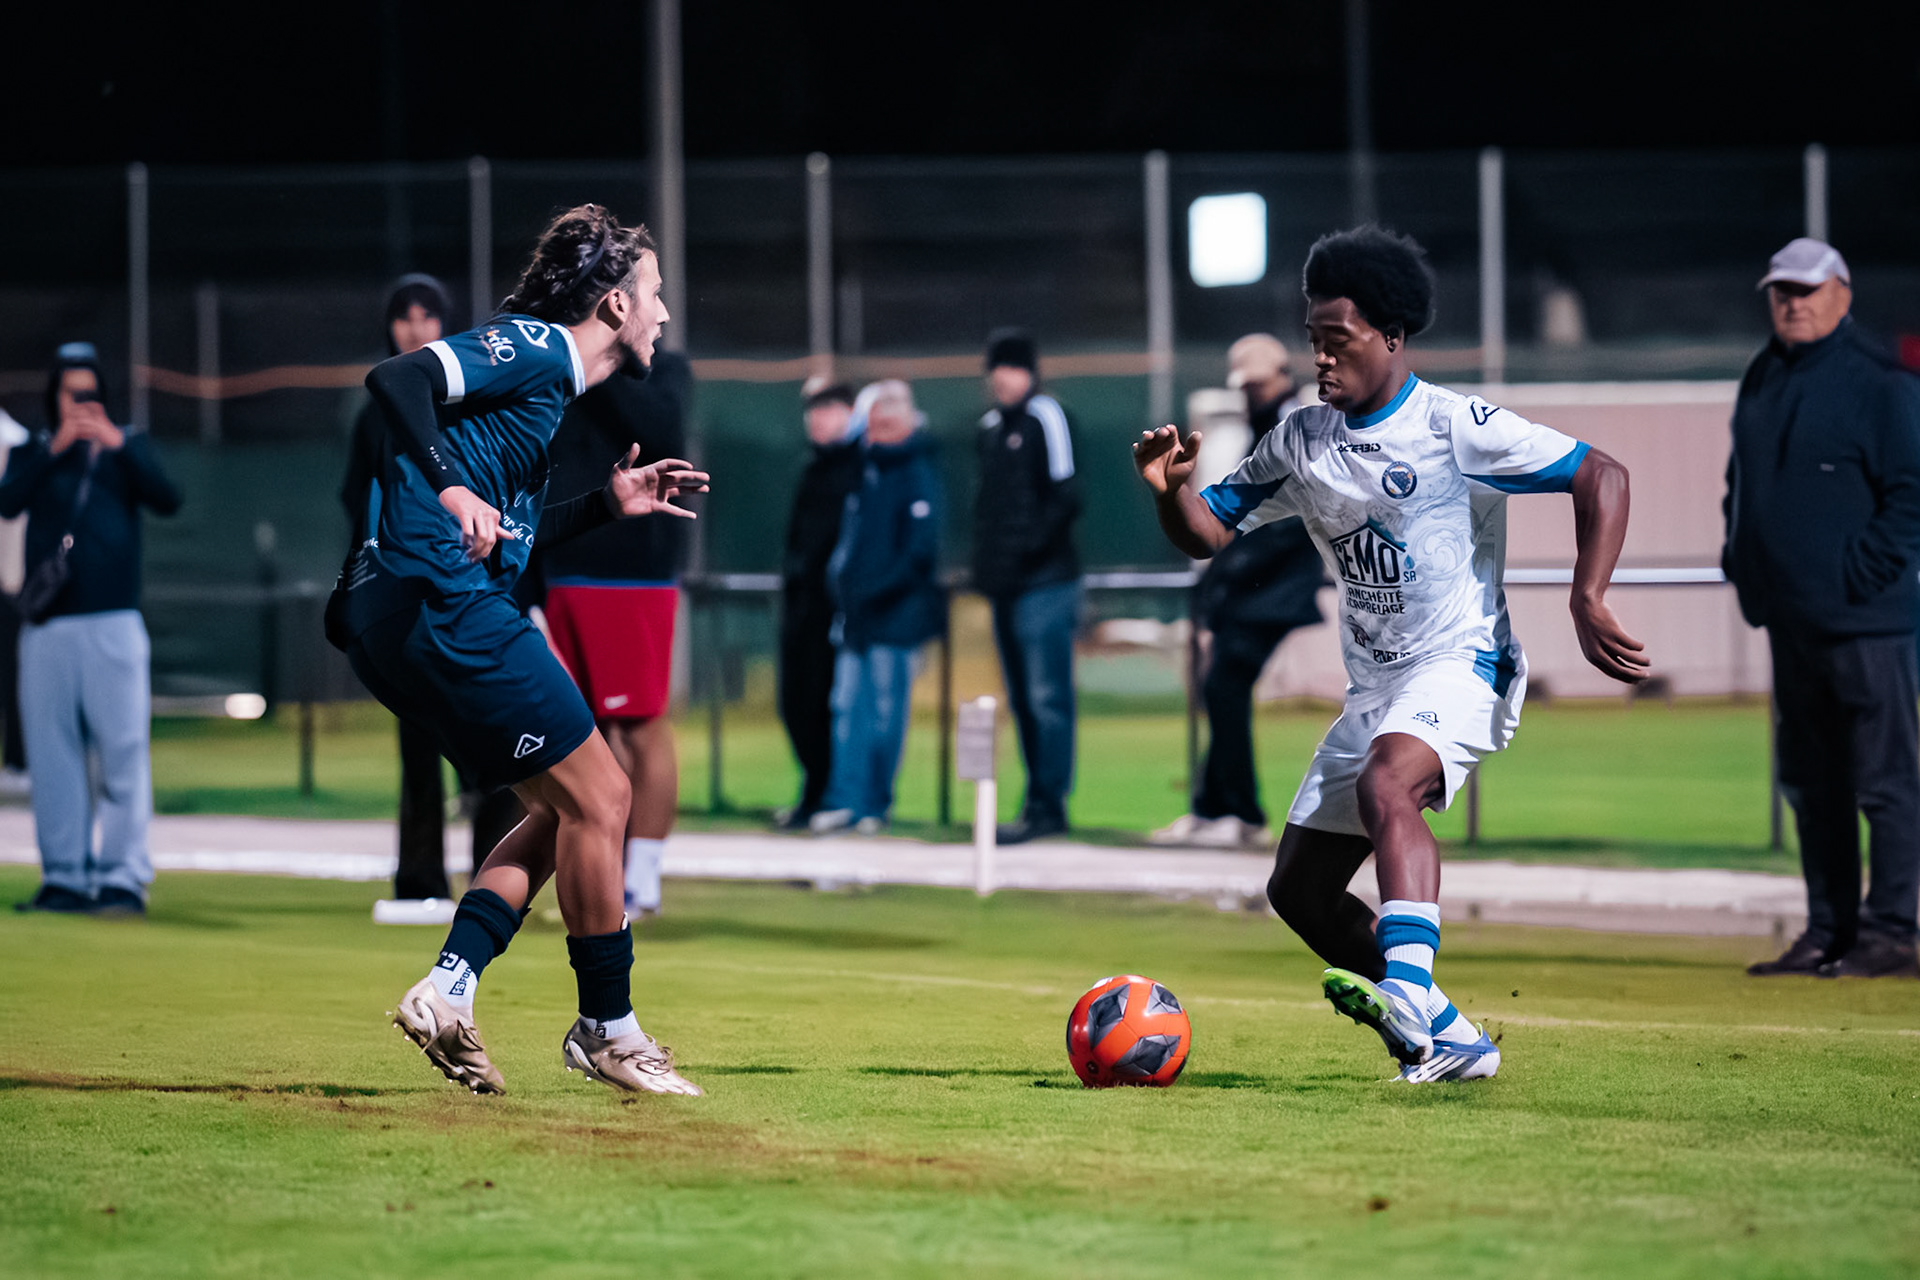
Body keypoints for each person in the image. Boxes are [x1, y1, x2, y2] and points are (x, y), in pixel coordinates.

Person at [1134, 226, 1646, 1082]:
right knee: (1297, 892)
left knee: (1387, 783)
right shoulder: (1301, 442)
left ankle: (1408, 988)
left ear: (1392, 337)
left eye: (1337, 343)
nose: (1321, 362)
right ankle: (1449, 1035)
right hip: (1375, 688)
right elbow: (1207, 534)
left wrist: (1587, 594)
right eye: (1313, 344)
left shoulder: (1454, 427)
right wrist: (1172, 492)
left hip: (1463, 664)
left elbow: (1604, 475)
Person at [327, 204, 710, 1096]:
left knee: (562, 807)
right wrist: (452, 485)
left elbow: (509, 537)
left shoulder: (544, 407)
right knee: (605, 790)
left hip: (405, 617)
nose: (663, 312)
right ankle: (607, 1031)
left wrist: (605, 505)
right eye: (654, 292)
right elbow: (397, 376)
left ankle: (448, 991)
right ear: (613, 304)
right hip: (436, 604)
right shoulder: (538, 347)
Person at [1724, 238, 1920, 980]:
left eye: (1806, 290)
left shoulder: (1881, 383)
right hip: (1792, 622)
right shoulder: (1765, 374)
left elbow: (1911, 496)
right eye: (1781, 290)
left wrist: (1857, 575)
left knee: (1885, 784)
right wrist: (1742, 563)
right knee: (1813, 786)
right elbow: (1740, 482)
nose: (1792, 302)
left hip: (1867, 623)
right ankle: (1829, 931)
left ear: (1842, 292)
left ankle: (1892, 933)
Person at [2, 342, 182, 915]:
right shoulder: (34, 450)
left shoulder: (125, 446)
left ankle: (123, 878)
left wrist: (118, 446)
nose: (81, 403)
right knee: (52, 760)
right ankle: (65, 877)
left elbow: (168, 499)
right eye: (70, 393)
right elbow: (6, 503)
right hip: (49, 628)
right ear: (53, 396)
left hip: (113, 623)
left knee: (123, 755)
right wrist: (54, 448)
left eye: (90, 393)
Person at [536, 346, 694, 916]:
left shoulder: (663, 369)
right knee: (577, 727)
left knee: (640, 722)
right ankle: (598, 869)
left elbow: (658, 428)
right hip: (562, 559)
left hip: (632, 569)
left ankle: (643, 878)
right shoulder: (554, 364)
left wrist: (604, 360)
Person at [1152, 335, 1325, 848]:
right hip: (1255, 582)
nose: (1251, 393)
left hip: (1276, 585)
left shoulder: (1296, 424)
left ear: (1281, 374)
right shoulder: (1266, 423)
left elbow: (1291, 517)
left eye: (1257, 383)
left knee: (1224, 686)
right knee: (1219, 688)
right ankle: (1212, 808)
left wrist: (1232, 561)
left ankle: (1243, 814)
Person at [340, 274, 464, 902]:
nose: (416, 328)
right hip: (405, 597)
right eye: (404, 317)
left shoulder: (469, 402)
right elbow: (356, 498)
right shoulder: (376, 411)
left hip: (470, 592)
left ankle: (504, 887)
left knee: (491, 747)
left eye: (427, 316)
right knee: (417, 745)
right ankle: (419, 882)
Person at [809, 380, 945, 835]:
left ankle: (874, 804)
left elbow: (918, 552)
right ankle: (845, 800)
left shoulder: (916, 472)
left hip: (895, 616)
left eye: (884, 423)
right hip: (857, 617)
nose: (875, 432)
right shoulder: (865, 471)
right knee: (847, 710)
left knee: (886, 714)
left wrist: (874, 590)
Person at [974, 329, 1081, 844]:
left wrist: (1023, 555)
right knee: (1022, 699)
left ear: (1030, 372)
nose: (1003, 378)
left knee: (1046, 698)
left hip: (1045, 582)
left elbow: (1065, 497)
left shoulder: (1046, 417)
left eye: (1012, 368)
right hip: (1008, 586)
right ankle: (1035, 802)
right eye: (997, 369)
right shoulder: (990, 428)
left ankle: (1049, 805)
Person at [777, 379, 862, 829]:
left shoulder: (862, 468)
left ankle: (834, 796)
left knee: (832, 704)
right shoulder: (813, 468)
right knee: (795, 701)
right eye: (814, 409)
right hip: (802, 604)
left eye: (829, 408)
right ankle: (814, 790)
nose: (818, 418)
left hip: (837, 609)